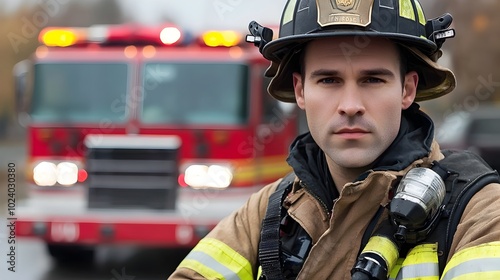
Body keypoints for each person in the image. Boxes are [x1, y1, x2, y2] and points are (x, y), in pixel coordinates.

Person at [169, 0, 500, 279]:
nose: (350, 105)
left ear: (407, 90)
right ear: (300, 91)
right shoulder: (268, 211)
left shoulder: (479, 213)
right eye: (329, 80)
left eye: (372, 79)